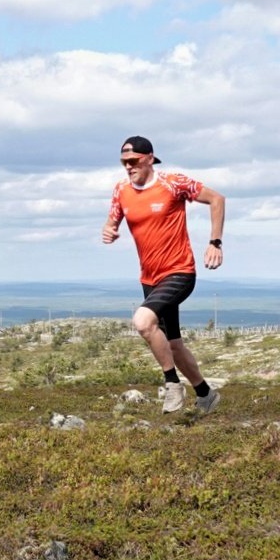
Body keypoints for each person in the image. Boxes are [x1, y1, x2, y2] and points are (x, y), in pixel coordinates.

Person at [102, 135, 225, 415]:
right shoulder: (121, 190)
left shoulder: (173, 183)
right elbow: (112, 221)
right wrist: (109, 230)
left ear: (149, 158)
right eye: (124, 162)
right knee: (173, 345)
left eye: (133, 161)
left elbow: (216, 199)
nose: (128, 167)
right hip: (150, 279)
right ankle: (205, 395)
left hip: (179, 272)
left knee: (143, 322)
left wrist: (215, 243)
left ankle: (172, 384)